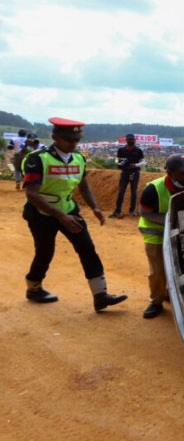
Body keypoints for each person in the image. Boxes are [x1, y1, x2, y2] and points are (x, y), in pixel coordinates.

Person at [21, 117, 127, 311]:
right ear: (55, 137)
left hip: (69, 209)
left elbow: (83, 185)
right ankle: (33, 288)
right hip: (41, 214)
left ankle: (100, 295)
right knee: (45, 252)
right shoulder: (37, 159)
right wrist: (60, 216)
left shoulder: (78, 158)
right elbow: (31, 194)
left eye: (76, 139)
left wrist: (94, 207)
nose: (73, 143)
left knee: (87, 248)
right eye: (69, 139)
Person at [138, 154, 184, 318]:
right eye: (183, 173)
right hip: (156, 235)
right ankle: (156, 302)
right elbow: (144, 212)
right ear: (171, 173)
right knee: (158, 271)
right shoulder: (153, 189)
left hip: (181, 233)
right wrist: (170, 221)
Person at [109, 133, 145, 218]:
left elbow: (143, 162)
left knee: (134, 192)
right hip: (125, 172)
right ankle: (117, 211)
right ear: (126, 140)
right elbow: (116, 159)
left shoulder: (138, 150)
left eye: (132, 139)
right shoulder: (121, 150)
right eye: (129, 139)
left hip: (135, 172)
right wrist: (119, 163)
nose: (130, 140)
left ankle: (131, 211)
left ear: (134, 140)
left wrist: (135, 165)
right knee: (121, 191)